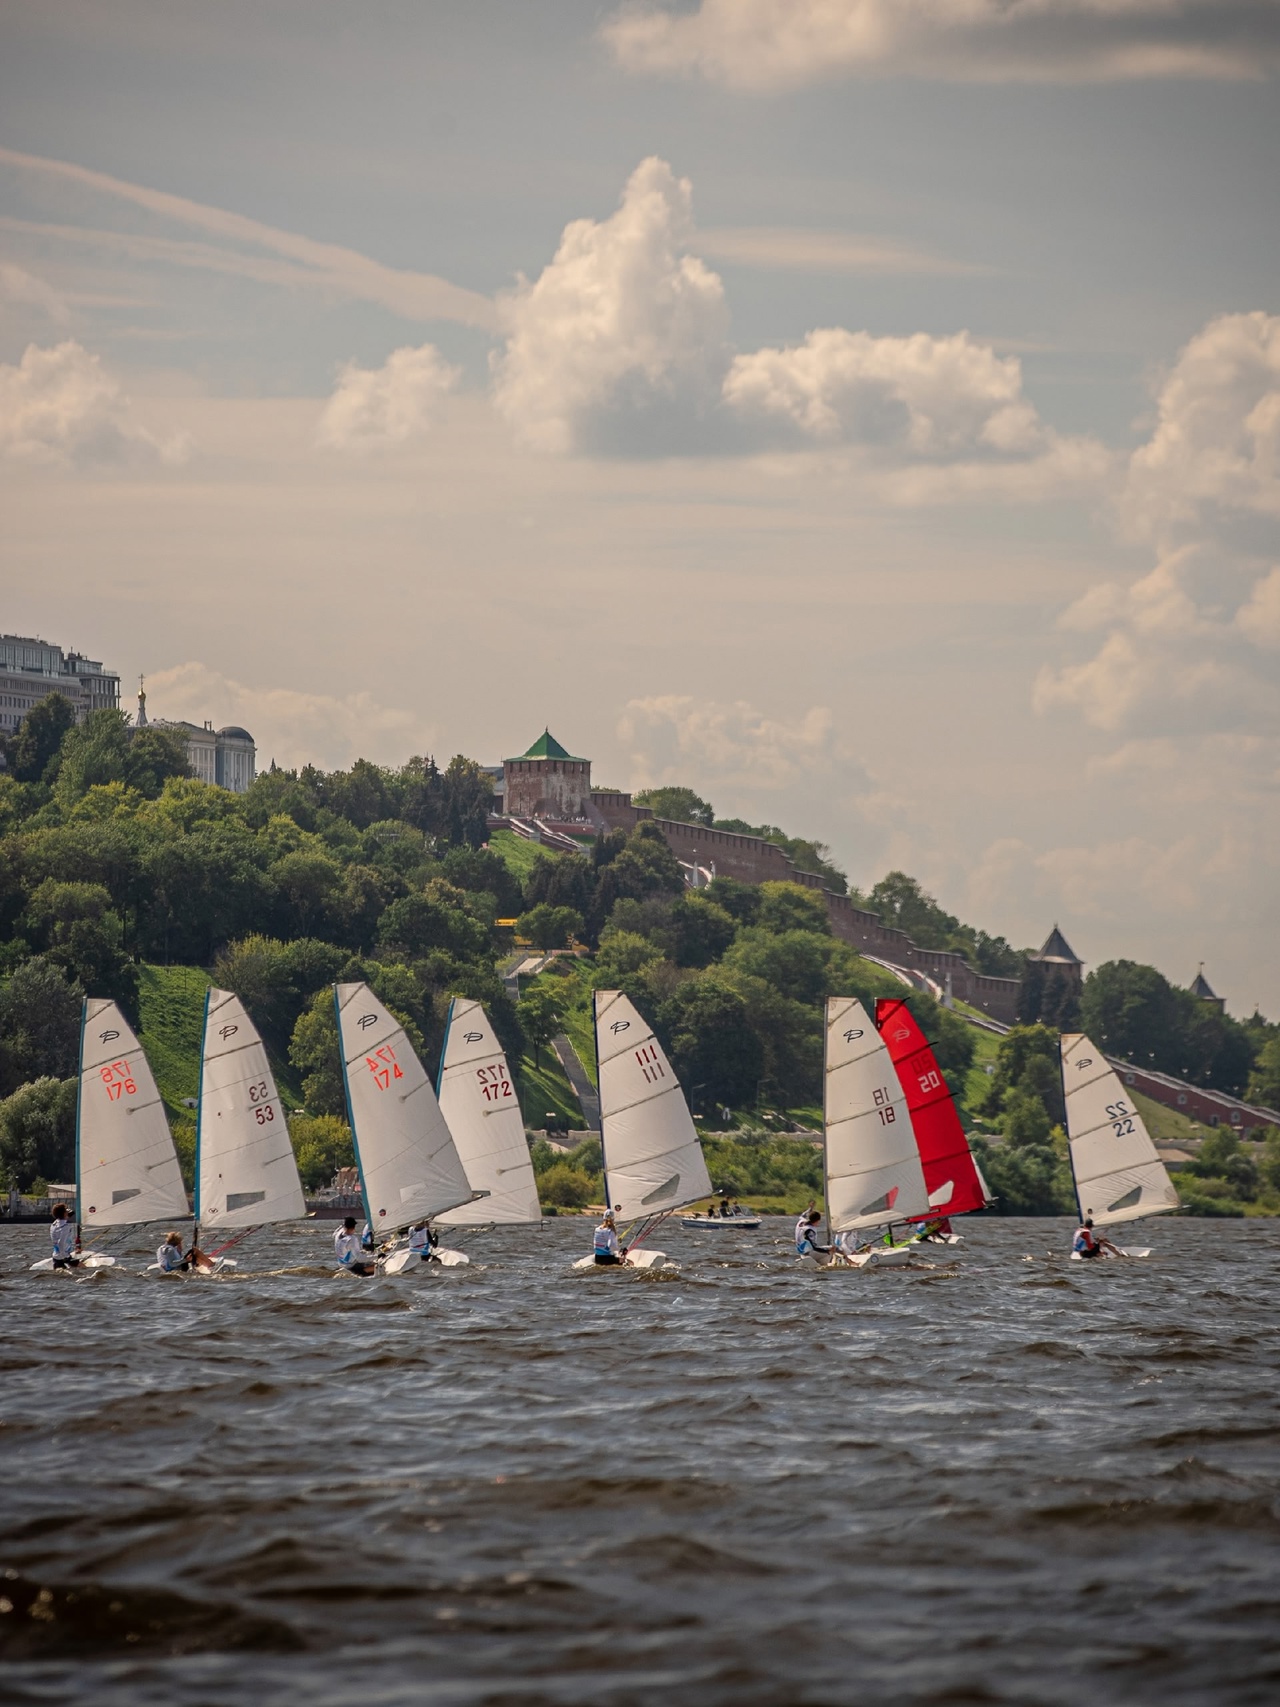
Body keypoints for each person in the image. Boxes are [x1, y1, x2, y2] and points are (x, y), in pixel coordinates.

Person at [49, 1203, 80, 1270]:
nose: (67, 1211)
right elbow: (61, 1243)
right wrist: (66, 1257)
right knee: (83, 1268)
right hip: (64, 1256)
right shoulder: (65, 1227)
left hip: (56, 1256)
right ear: (64, 1213)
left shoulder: (54, 1224)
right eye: (66, 1211)